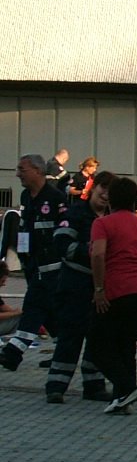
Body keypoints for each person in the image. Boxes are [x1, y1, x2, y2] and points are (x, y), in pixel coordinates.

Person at [43, 170, 115, 403]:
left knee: (99, 336)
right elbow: (62, 244)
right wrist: (94, 253)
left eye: (110, 191)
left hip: (101, 287)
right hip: (75, 285)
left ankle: (93, 386)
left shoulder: (112, 218)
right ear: (93, 188)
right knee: (70, 336)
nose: (105, 194)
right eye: (102, 188)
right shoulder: (75, 214)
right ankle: (56, 386)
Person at [92, 177, 137, 415]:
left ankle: (127, 387)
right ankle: (123, 399)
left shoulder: (103, 224)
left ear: (110, 199)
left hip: (116, 290)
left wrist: (99, 289)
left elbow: (98, 255)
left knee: (98, 347)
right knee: (126, 345)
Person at [1, 155, 68, 372]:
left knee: (34, 306)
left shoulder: (55, 197)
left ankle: (13, 353)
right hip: (31, 265)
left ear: (38, 171)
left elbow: (64, 231)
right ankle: (63, 352)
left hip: (51, 268)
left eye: (22, 169)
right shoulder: (26, 196)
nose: (18, 173)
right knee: (48, 310)